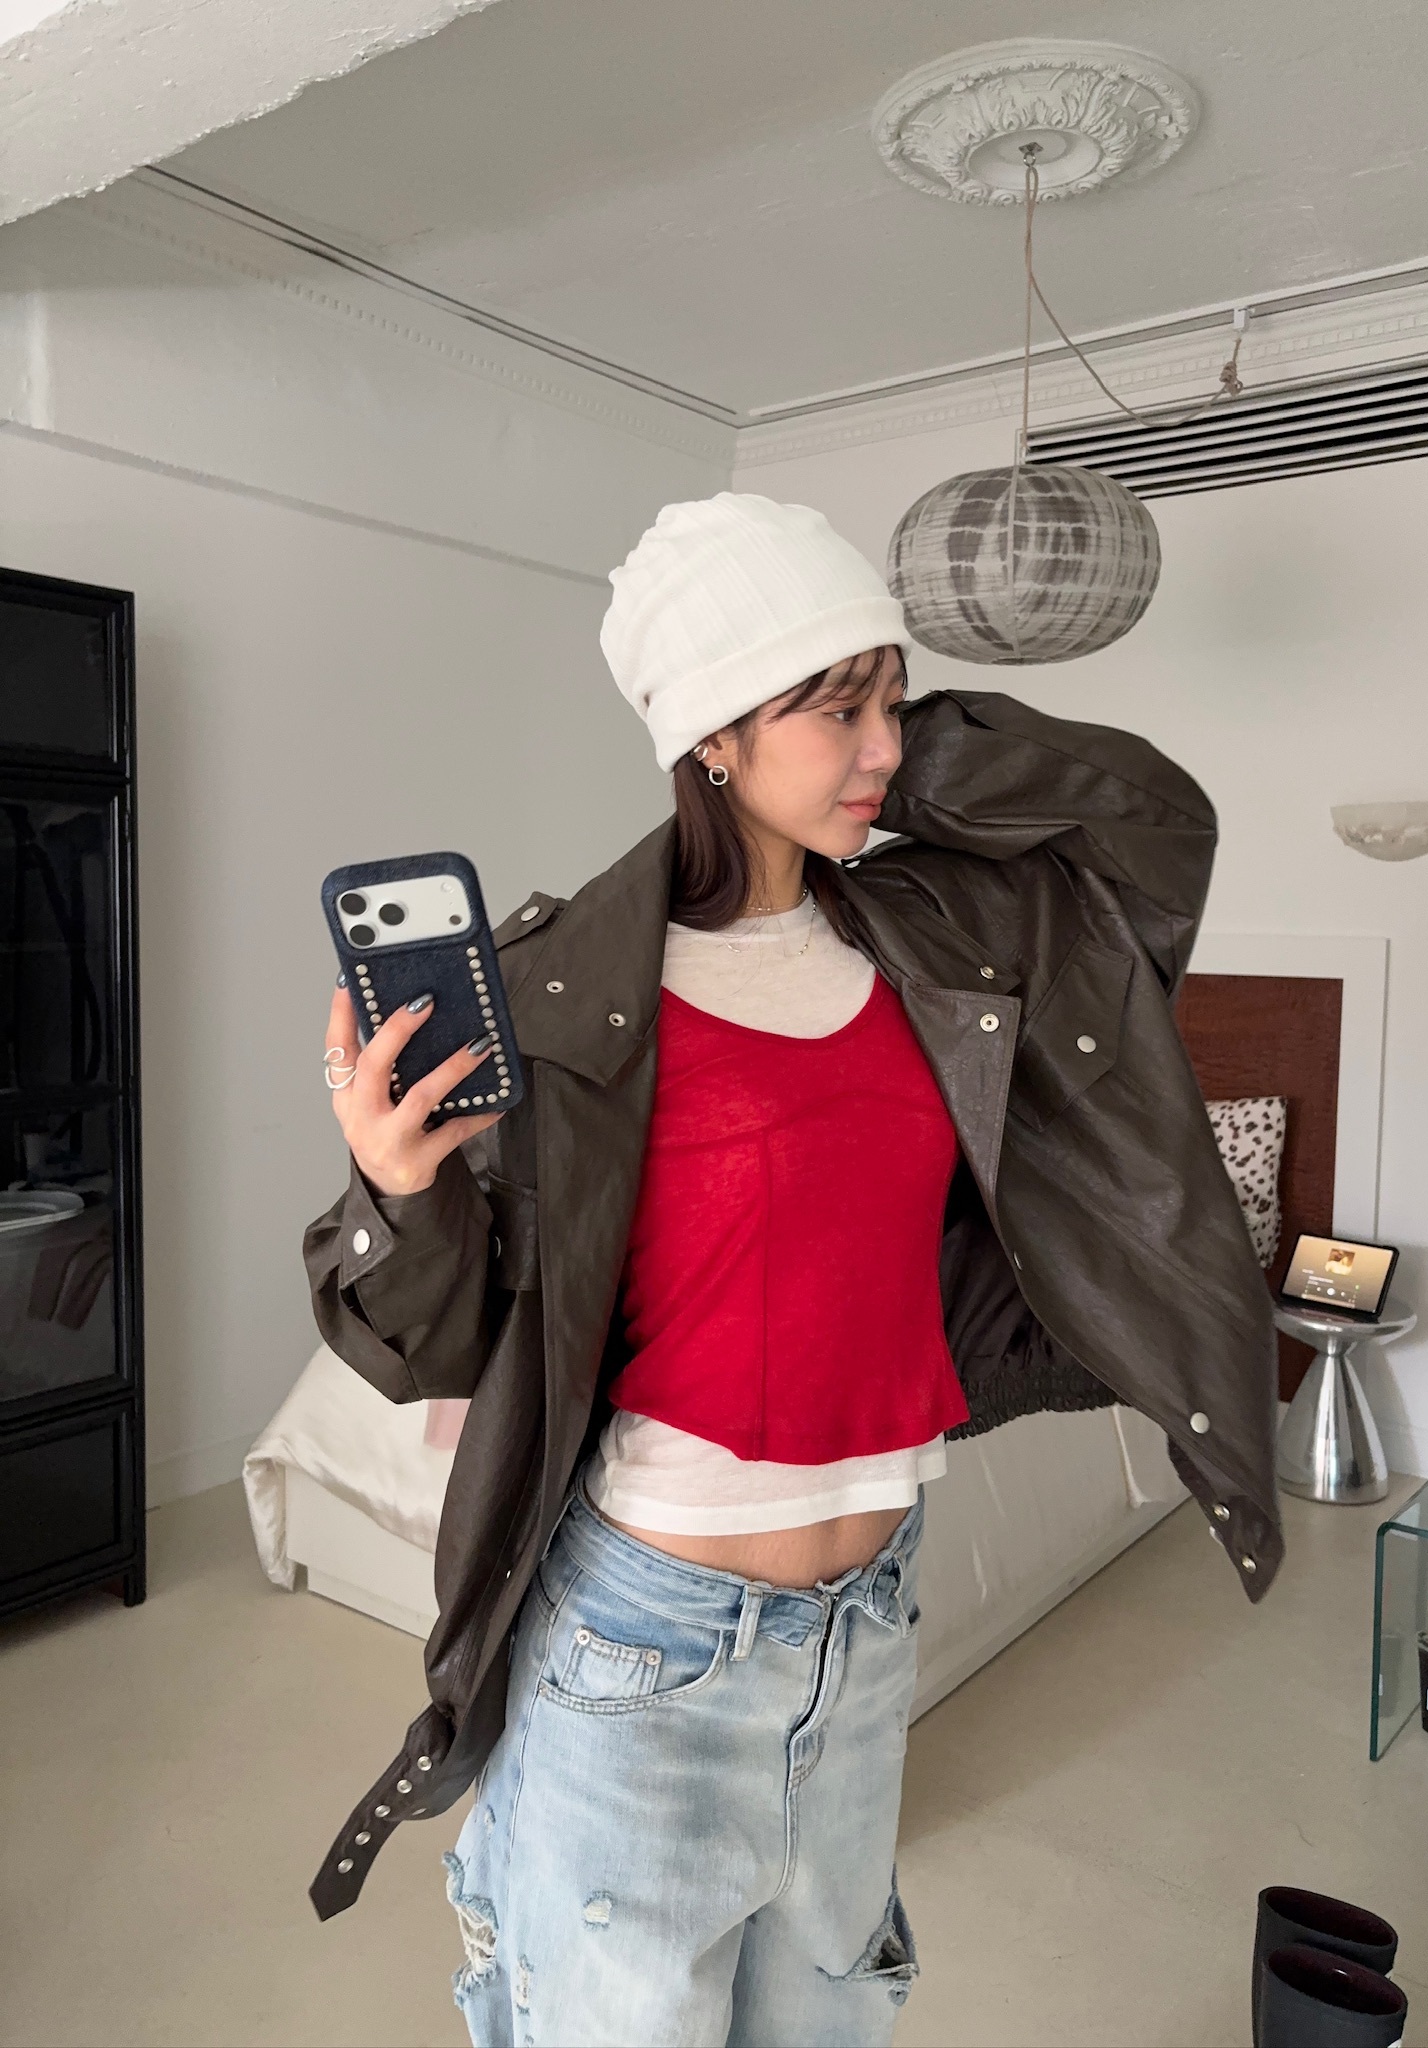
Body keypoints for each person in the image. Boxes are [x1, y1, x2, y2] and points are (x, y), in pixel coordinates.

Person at [305, 492, 1283, 2046]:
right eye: (837, 709)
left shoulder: (942, 936)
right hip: (645, 1647)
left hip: (868, 1628)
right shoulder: (561, 995)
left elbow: (1151, 824)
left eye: (894, 697)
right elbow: (429, 1342)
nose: (881, 743)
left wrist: (885, 743)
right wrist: (399, 1186)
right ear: (711, 730)